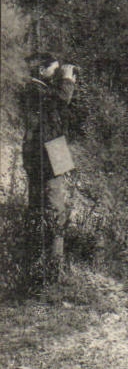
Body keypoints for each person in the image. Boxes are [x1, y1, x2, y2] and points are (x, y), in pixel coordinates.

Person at [22, 53, 78, 284]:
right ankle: (52, 273)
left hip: (53, 149)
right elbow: (61, 99)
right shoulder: (34, 90)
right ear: (42, 70)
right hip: (45, 154)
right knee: (54, 209)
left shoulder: (44, 91)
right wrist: (67, 80)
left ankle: (45, 267)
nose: (57, 76)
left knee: (56, 206)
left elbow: (63, 112)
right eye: (54, 71)